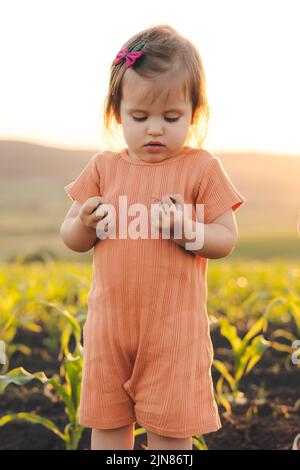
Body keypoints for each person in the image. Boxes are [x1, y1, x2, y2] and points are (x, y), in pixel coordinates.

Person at [60, 24, 246, 450]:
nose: (155, 129)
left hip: (174, 333)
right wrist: (85, 224)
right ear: (118, 113)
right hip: (108, 329)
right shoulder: (105, 168)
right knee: (107, 427)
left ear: (194, 113)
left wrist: (190, 230)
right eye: (140, 118)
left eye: (172, 117)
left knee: (169, 433)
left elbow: (226, 238)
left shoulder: (201, 169)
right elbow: (71, 235)